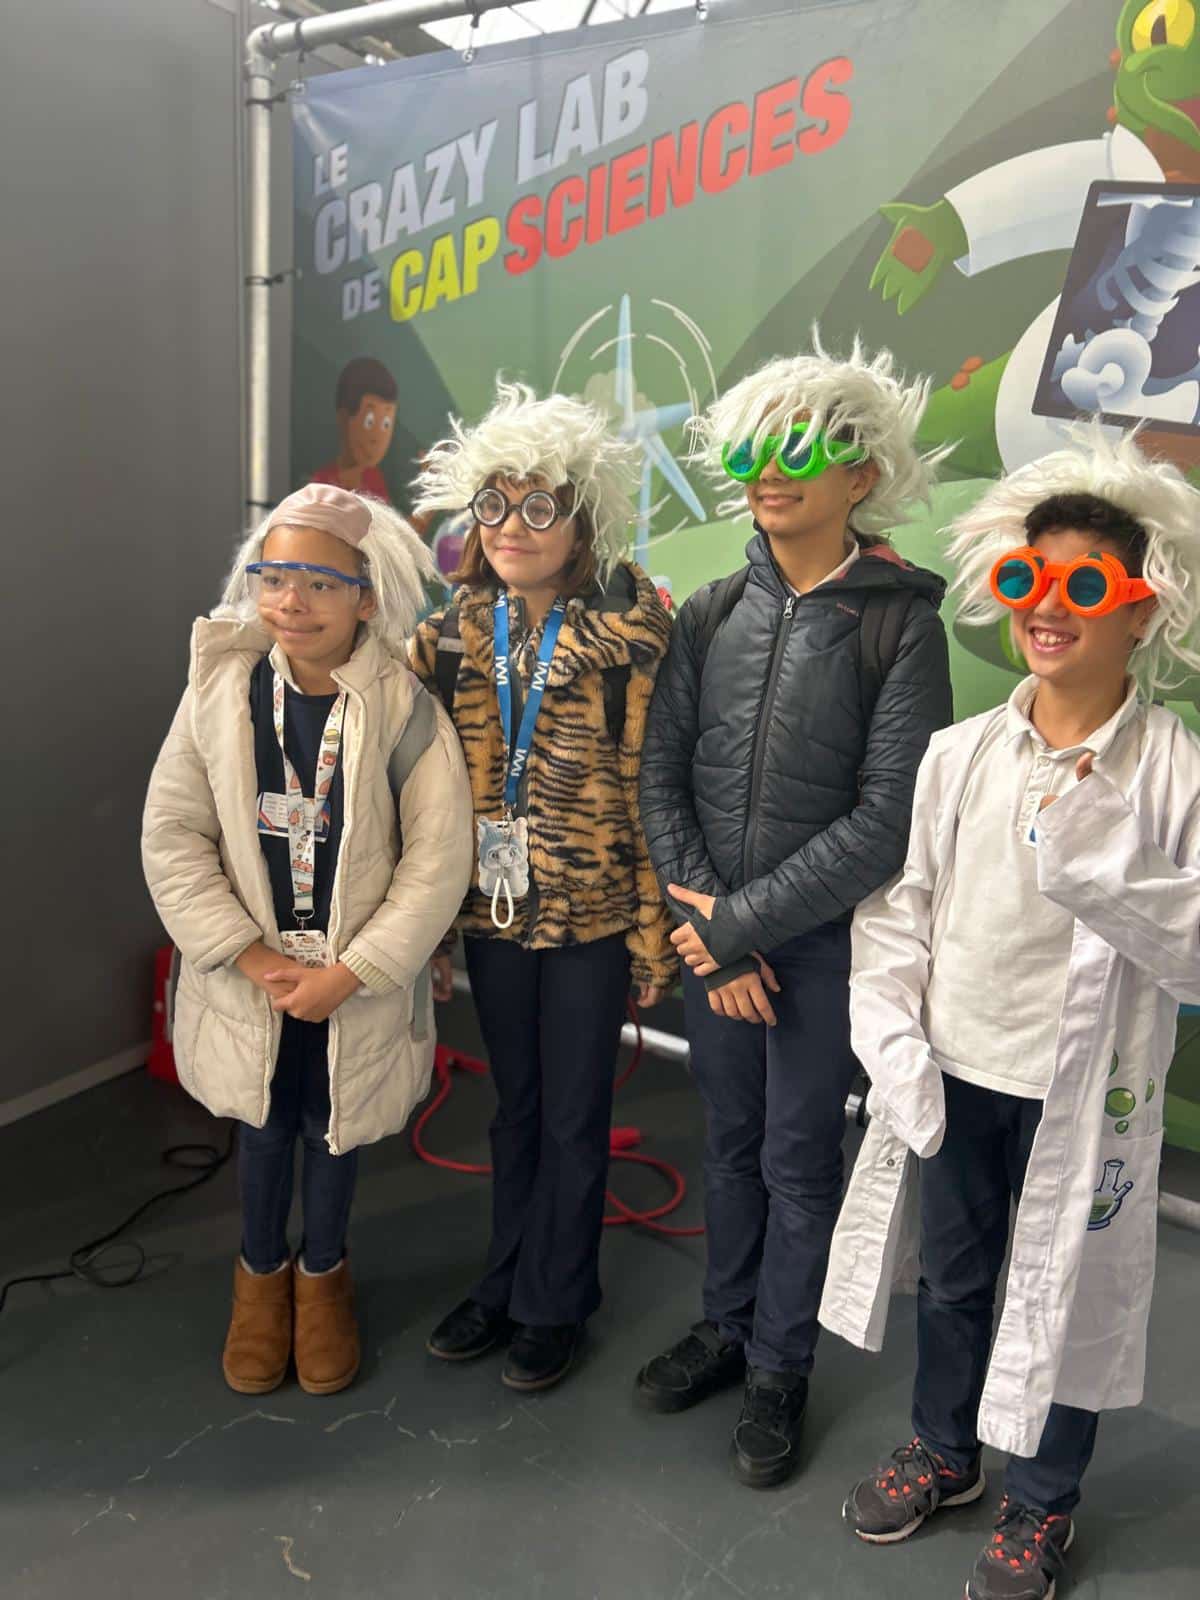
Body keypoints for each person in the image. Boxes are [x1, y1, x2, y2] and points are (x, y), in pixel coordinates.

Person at [827, 428, 1200, 1600]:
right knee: (953, 1277)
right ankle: (946, 1451)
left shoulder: (1172, 768)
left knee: (1067, 1290)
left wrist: (1101, 866)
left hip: (1085, 1092)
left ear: (1140, 611)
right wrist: (893, 1035)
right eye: (1032, 579)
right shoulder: (957, 756)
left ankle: (1043, 1499)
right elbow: (903, 907)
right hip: (961, 1065)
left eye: (1086, 586)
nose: (1049, 607)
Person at [634, 336, 954, 1488]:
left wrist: (740, 927)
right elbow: (660, 777)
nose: (771, 473)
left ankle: (779, 1365)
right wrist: (712, 935)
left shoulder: (899, 623)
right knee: (727, 1143)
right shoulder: (710, 611)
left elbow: (887, 819)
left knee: (799, 1157)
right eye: (754, 453)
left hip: (822, 952)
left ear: (861, 473)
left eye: (803, 451)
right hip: (713, 943)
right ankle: (725, 1326)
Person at [142, 484, 473, 1397]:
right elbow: (173, 835)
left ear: (367, 598)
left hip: (348, 985)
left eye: (321, 583)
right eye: (275, 577)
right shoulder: (218, 692)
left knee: (334, 1128)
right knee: (263, 1123)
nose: (292, 601)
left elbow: (438, 860)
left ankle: (323, 1277)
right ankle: (259, 1279)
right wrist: (251, 958)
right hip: (253, 976)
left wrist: (352, 972)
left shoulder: (406, 711)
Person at [409, 380, 677, 1393]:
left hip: (592, 915)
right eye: (494, 504)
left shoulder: (628, 643)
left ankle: (555, 1300)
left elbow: (653, 791)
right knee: (514, 1107)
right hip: (493, 910)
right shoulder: (451, 636)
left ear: (581, 522)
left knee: (571, 1112)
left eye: (538, 506)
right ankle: (504, 1279)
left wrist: (650, 933)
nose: (512, 526)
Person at [310, 356, 398, 502]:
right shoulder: (322, 485)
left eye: (386, 424)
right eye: (369, 422)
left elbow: (385, 517)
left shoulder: (374, 479)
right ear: (344, 418)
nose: (377, 438)